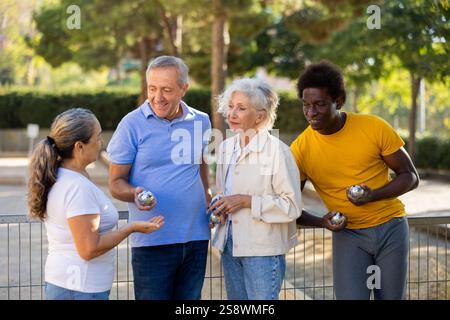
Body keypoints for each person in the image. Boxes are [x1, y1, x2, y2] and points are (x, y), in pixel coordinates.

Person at [290, 61, 420, 300]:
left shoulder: (373, 127)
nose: (311, 113)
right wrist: (322, 222)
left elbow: (410, 176)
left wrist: (373, 195)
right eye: (306, 105)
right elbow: (288, 205)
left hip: (390, 227)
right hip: (348, 235)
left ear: (338, 101)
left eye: (319, 105)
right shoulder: (300, 149)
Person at [27, 108, 164, 300]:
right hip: (78, 288)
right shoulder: (77, 187)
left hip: (73, 285)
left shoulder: (67, 176)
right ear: (79, 146)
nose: (101, 143)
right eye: (97, 138)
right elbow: (88, 249)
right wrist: (131, 228)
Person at [107, 56, 212, 300]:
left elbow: (200, 162)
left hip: (196, 237)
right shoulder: (131, 125)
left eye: (166, 89)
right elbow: (115, 183)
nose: (157, 97)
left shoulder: (201, 121)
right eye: (152, 89)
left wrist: (207, 194)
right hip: (152, 240)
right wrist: (134, 193)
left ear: (184, 89)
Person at [207, 77, 304, 299]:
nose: (232, 114)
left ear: (260, 116)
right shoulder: (225, 148)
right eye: (230, 106)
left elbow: (291, 206)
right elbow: (225, 192)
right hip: (230, 245)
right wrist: (220, 206)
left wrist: (246, 201)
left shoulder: (277, 152)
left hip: (263, 251)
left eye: (241, 108)